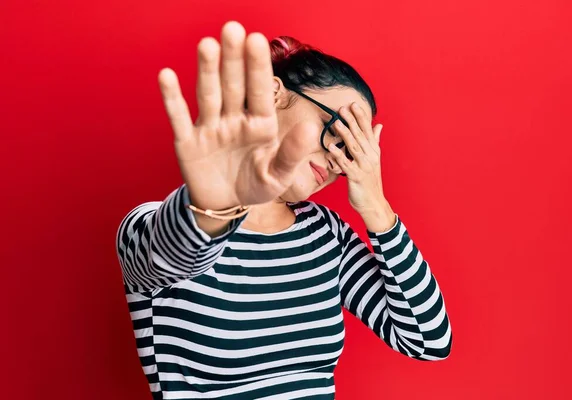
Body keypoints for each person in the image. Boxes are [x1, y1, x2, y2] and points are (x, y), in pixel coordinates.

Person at [116, 21, 452, 400]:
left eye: (352, 150)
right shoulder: (148, 228)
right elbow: (176, 252)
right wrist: (219, 202)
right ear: (274, 93)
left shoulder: (326, 234)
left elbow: (426, 340)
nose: (336, 158)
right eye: (335, 129)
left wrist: (376, 206)